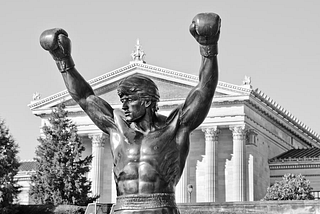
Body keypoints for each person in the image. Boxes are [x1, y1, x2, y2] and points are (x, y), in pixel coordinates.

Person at [40, 12, 221, 214]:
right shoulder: (116, 126)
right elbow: (85, 97)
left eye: (129, 100)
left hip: (160, 209)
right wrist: (63, 60)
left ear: (146, 101)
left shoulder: (175, 127)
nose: (123, 106)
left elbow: (204, 90)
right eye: (122, 101)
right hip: (123, 210)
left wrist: (208, 48)